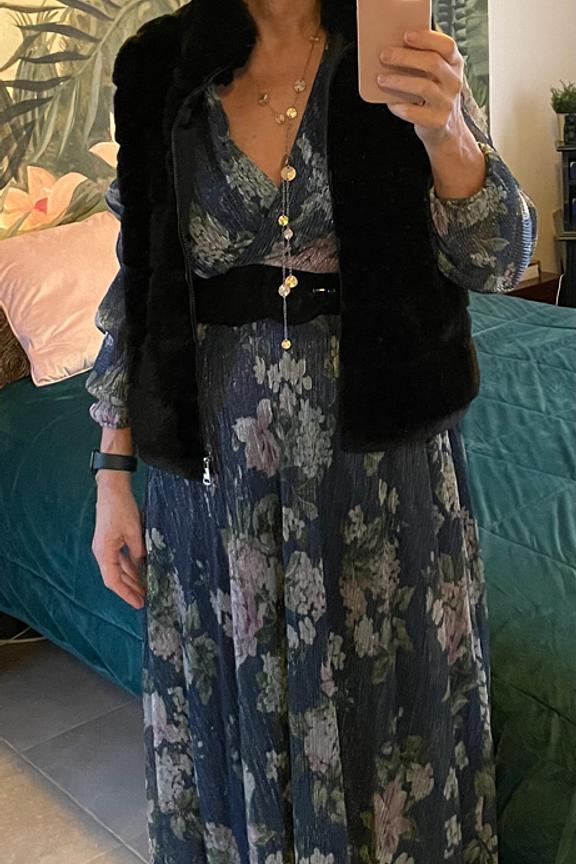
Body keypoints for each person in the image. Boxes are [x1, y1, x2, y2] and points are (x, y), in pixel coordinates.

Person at [87, 0, 538, 861]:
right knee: (237, 719)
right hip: (217, 485)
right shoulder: (159, 66)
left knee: (391, 717)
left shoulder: (394, 50)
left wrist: (447, 131)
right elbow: (137, 283)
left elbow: (499, 258)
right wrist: (113, 473)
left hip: (382, 474)